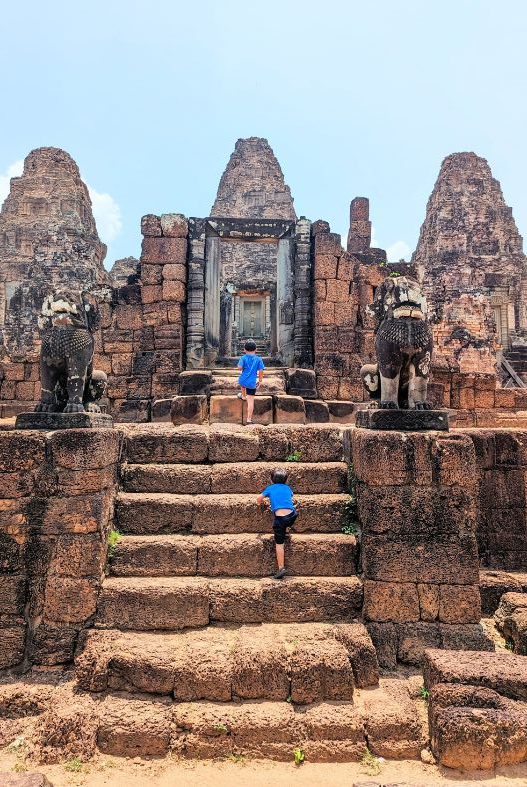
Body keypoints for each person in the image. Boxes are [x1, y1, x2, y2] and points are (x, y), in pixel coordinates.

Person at [257, 468, 298, 579]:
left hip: (280, 520)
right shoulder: (288, 488)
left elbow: (259, 498)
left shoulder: (270, 488)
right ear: (286, 480)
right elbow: (290, 498)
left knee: (279, 544)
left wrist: (264, 502)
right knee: (291, 512)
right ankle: (288, 527)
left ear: (271, 480)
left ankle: (281, 568)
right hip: (293, 515)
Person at [237, 340, 265, 424]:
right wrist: (260, 381)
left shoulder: (243, 358)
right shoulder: (258, 359)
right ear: (256, 349)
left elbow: (240, 368)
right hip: (252, 382)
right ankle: (249, 419)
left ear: (244, 350)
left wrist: (241, 367)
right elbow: (261, 371)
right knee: (251, 401)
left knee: (242, 384)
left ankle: (243, 396)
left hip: (243, 380)